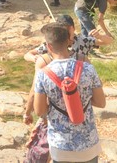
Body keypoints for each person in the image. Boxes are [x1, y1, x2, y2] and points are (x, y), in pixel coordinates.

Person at [33, 24, 106, 163]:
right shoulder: (88, 68)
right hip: (89, 144)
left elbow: (39, 110)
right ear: (68, 42)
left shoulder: (43, 75)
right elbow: (101, 103)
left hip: (60, 147)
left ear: (49, 47)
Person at [23, 16, 97, 125]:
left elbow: (35, 96)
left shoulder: (44, 63)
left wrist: (27, 113)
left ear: (49, 46)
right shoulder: (84, 62)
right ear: (68, 39)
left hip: (57, 131)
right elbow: (100, 101)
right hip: (85, 126)